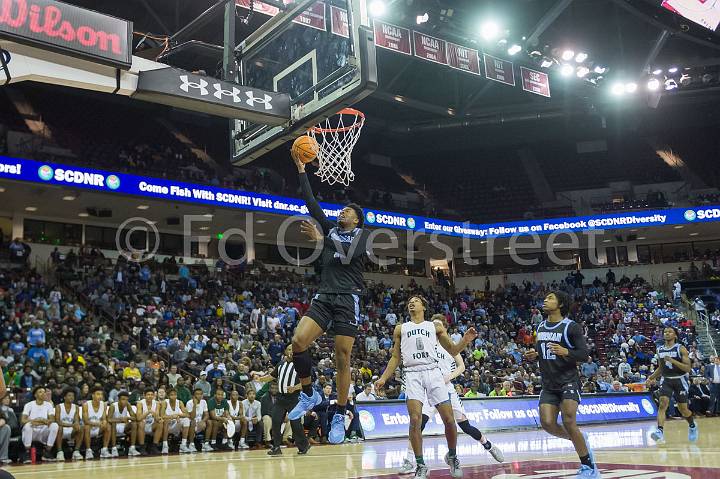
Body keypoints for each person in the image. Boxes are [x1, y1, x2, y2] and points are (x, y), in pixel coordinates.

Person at [288, 152, 374, 444]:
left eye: (347, 212)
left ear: (357, 219)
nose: (342, 213)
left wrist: (322, 240)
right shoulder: (331, 230)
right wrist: (302, 170)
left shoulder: (363, 236)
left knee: (342, 357)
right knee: (298, 342)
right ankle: (309, 392)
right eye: (342, 211)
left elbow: (348, 257)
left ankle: (340, 411)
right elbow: (311, 204)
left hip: (348, 298)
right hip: (325, 295)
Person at [376, 296, 477, 479]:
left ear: (423, 306)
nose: (411, 302)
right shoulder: (400, 328)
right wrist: (383, 378)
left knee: (448, 419)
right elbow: (395, 357)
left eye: (416, 300)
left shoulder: (434, 327)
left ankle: (453, 456)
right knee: (415, 420)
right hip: (412, 373)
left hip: (433, 371)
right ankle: (420, 465)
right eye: (409, 301)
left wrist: (466, 340)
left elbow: (453, 350)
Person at [397, 313, 503, 475]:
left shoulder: (449, 346)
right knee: (418, 424)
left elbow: (461, 366)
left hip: (447, 389)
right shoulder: (427, 343)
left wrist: (448, 377)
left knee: (464, 426)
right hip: (428, 388)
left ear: (444, 328)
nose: (435, 327)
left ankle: (488, 445)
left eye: (438, 325)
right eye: (433, 325)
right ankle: (409, 460)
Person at [524, 291, 598, 479]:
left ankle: (588, 466)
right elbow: (546, 352)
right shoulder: (540, 326)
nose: (545, 300)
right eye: (545, 298)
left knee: (568, 420)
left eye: (550, 298)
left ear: (561, 304)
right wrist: (536, 355)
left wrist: (566, 351)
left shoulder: (571, 327)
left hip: (568, 380)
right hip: (549, 383)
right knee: (547, 423)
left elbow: (583, 354)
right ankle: (579, 439)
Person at [646, 326, 697, 444]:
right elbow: (661, 368)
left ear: (675, 335)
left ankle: (692, 425)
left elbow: (688, 368)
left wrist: (673, 361)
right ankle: (659, 431)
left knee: (683, 409)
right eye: (665, 332)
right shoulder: (660, 349)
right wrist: (651, 377)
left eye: (670, 332)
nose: (667, 333)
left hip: (680, 380)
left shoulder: (681, 348)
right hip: (666, 380)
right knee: (663, 404)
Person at [258, 345, 310, 456]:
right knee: (276, 421)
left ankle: (303, 445)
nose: (291, 351)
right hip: (281, 398)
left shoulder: (300, 364)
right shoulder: (281, 363)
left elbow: (306, 383)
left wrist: (295, 388)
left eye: (294, 349)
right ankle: (276, 447)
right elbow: (272, 376)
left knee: (295, 424)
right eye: (289, 349)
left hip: (294, 398)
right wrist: (261, 379)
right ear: (286, 351)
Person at [20, 386, 59, 463]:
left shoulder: (49, 405)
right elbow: (23, 420)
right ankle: (27, 453)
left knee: (55, 425)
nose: (43, 393)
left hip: (43, 431)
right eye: (40, 392)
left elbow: (52, 419)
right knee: (28, 425)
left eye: (44, 392)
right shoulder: (29, 405)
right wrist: (36, 420)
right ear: (35, 395)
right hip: (32, 431)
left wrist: (40, 420)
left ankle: (47, 452)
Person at [106, 391, 139, 457]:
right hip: (114, 427)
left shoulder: (128, 405)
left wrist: (127, 417)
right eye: (123, 399)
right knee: (113, 423)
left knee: (134, 424)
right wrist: (120, 419)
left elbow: (134, 418)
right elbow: (109, 419)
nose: (125, 401)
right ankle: (114, 448)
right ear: (118, 399)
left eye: (127, 399)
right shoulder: (113, 406)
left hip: (124, 426)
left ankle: (132, 448)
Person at [54, 388, 83, 461]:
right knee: (59, 427)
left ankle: (76, 451)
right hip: (61, 430)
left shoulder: (76, 407)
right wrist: (71, 425)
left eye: (73, 396)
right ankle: (60, 452)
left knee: (81, 428)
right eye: (69, 395)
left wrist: (76, 424)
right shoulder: (58, 407)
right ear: (64, 397)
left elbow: (76, 420)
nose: (71, 397)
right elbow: (58, 421)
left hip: (71, 430)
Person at [160, 388, 191, 454]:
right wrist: (172, 416)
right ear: (168, 396)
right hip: (167, 426)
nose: (174, 396)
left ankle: (183, 445)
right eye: (171, 395)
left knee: (186, 420)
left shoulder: (180, 402)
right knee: (166, 420)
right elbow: (162, 415)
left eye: (175, 395)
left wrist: (178, 415)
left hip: (176, 425)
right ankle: (165, 446)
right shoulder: (164, 403)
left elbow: (187, 414)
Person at [84, 386, 108, 460]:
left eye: (101, 394)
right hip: (88, 429)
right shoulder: (86, 405)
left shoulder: (103, 404)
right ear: (93, 395)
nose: (100, 396)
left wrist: (104, 422)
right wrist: (98, 424)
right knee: (87, 426)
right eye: (98, 394)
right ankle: (88, 450)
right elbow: (86, 421)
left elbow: (104, 418)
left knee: (108, 426)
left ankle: (104, 450)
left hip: (98, 428)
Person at [136, 389, 162, 455]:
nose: (150, 396)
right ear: (144, 396)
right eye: (148, 395)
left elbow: (157, 418)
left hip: (152, 425)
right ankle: (142, 447)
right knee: (141, 423)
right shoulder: (140, 403)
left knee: (160, 423)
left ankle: (154, 446)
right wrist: (148, 412)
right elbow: (138, 418)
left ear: (153, 396)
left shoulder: (157, 403)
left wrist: (156, 416)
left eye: (151, 395)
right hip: (142, 426)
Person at [186, 387, 211, 452]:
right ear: (193, 396)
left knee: (209, 422)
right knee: (193, 421)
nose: (199, 396)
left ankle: (206, 443)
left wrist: (202, 421)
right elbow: (192, 417)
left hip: (200, 423)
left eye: (201, 394)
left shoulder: (204, 402)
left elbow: (206, 415)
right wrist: (194, 405)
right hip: (191, 423)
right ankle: (191, 444)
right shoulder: (189, 403)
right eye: (197, 394)